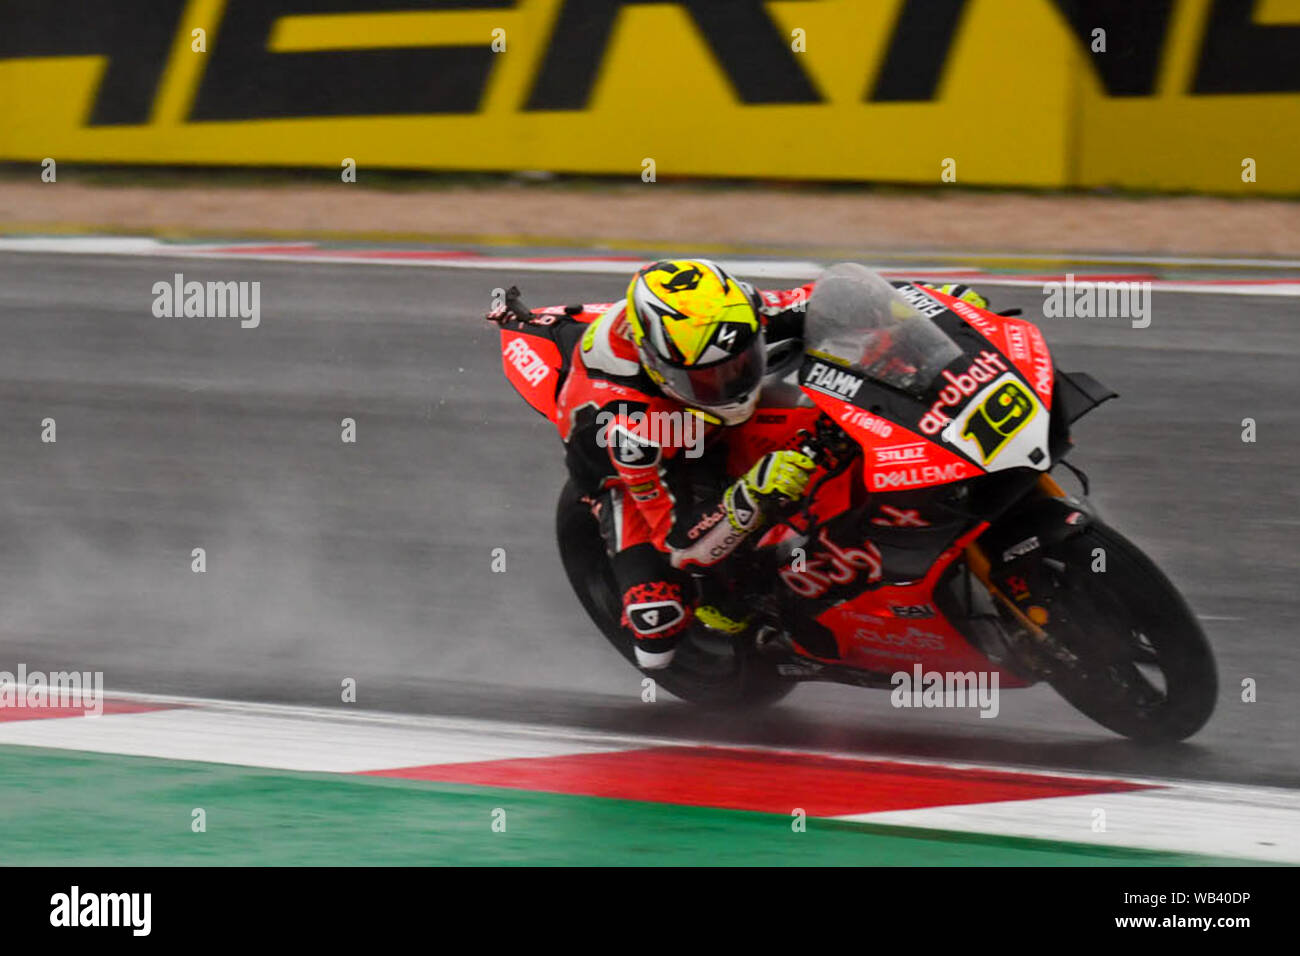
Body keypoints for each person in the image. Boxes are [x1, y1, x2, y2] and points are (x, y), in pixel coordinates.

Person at [490, 258, 986, 670]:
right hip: (648, 461)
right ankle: (720, 598)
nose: (732, 381)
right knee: (656, 630)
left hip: (699, 418)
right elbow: (679, 542)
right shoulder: (626, 425)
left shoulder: (735, 315)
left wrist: (933, 304)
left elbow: (836, 301)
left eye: (741, 362)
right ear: (660, 368)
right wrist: (750, 496)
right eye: (709, 378)